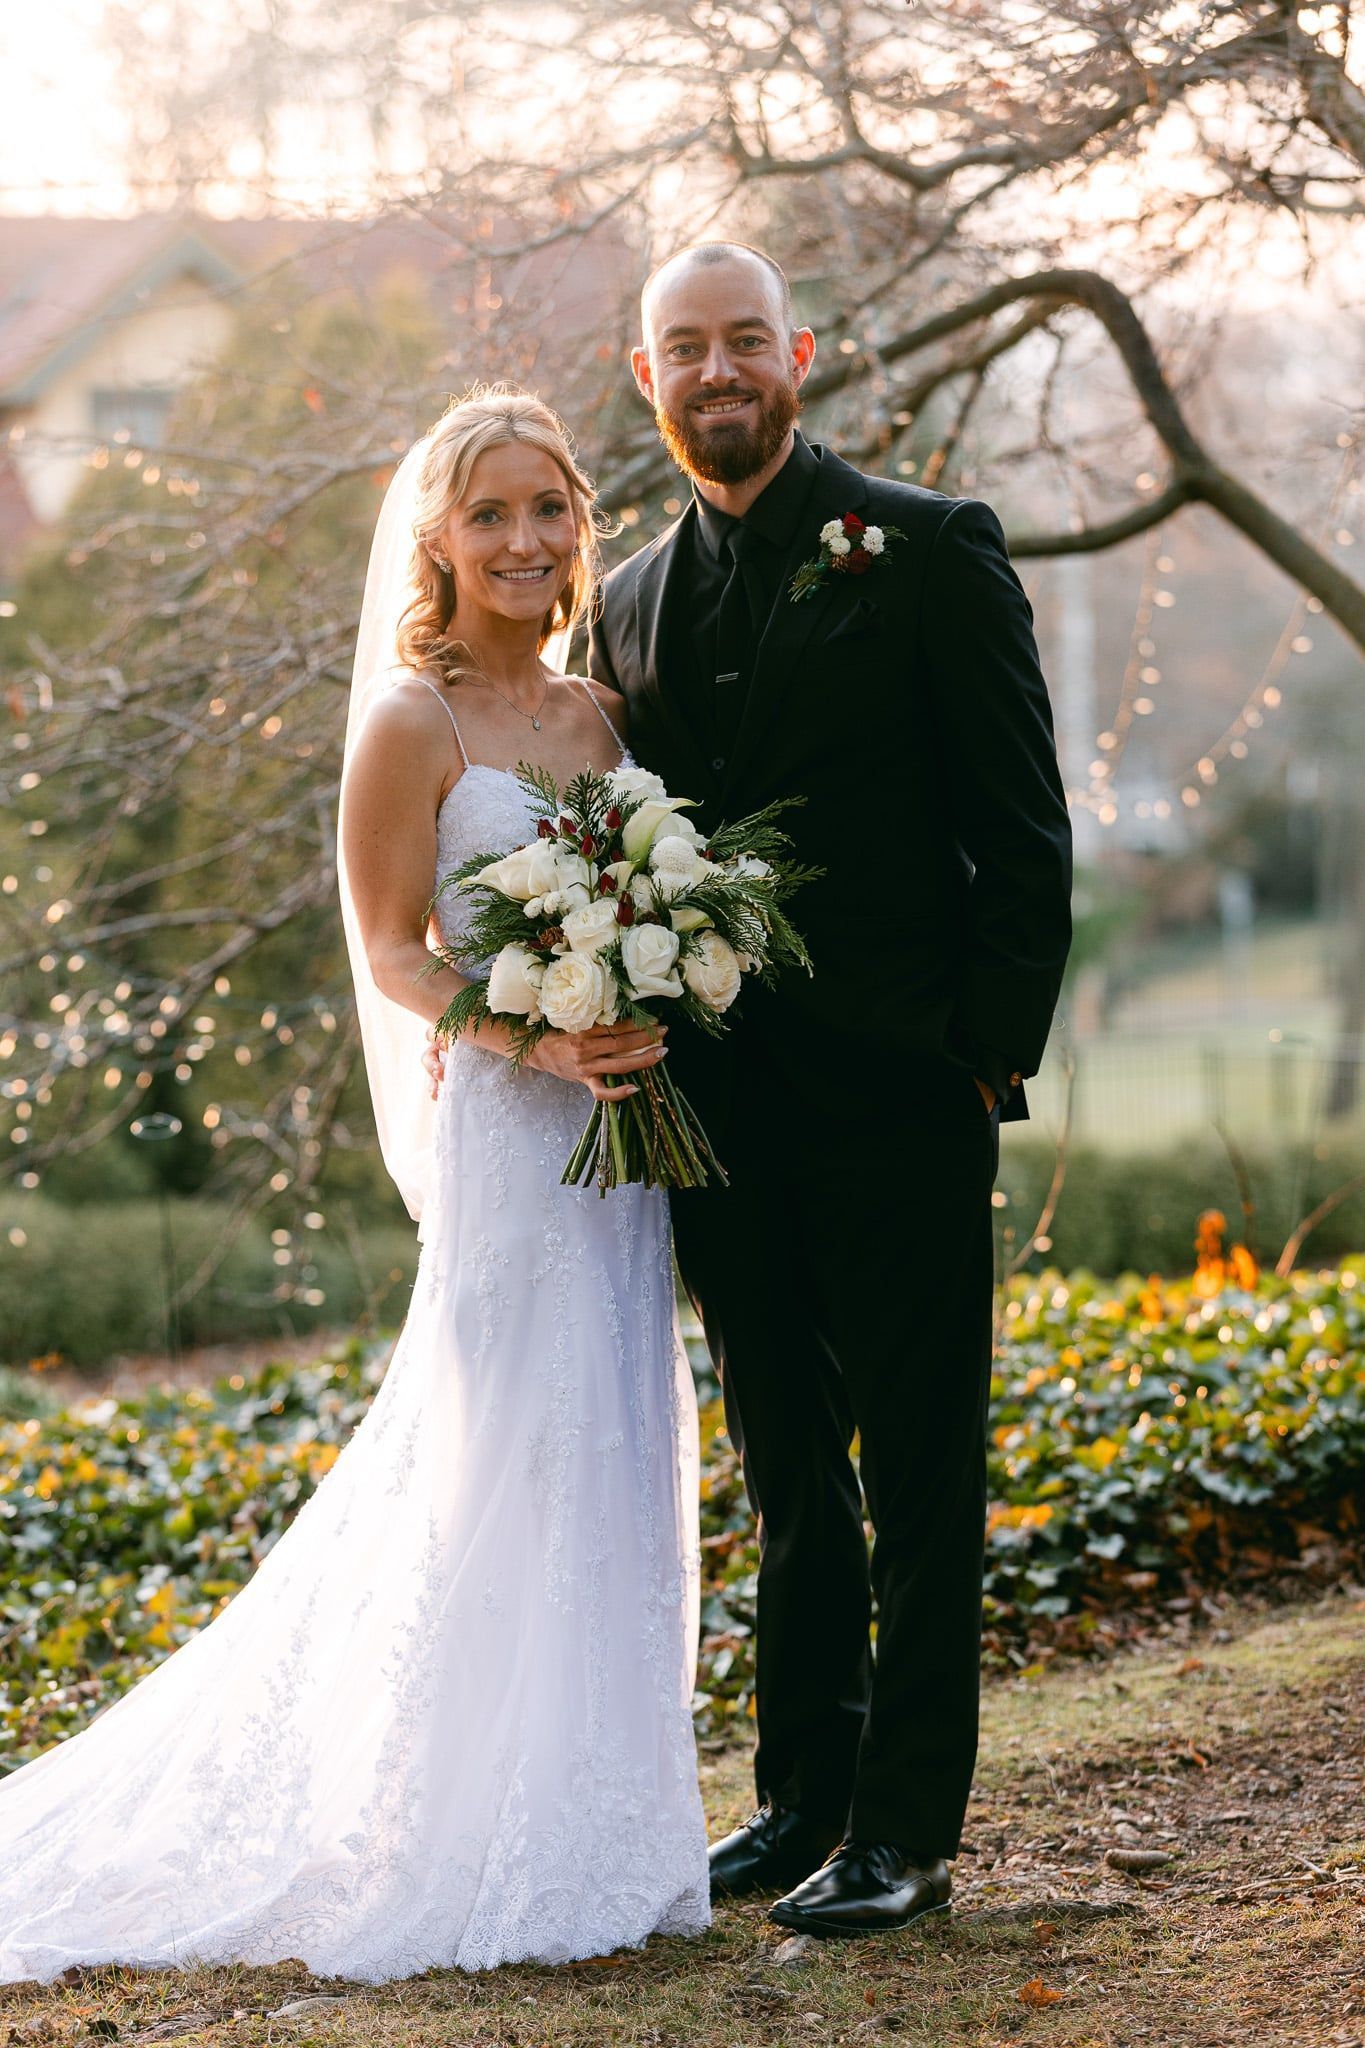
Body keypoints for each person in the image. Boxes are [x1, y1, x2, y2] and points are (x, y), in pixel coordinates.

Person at [0, 389, 710, 1984]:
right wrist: (533, 1042)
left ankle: (607, 1831)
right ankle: (460, 1831)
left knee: (611, 1438)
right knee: (501, 1453)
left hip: (622, 1151)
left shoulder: (604, 720)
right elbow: (393, 948)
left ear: (578, 528)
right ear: (439, 541)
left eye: (549, 510)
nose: (524, 541)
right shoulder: (414, 720)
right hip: (515, 1144)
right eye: (490, 516)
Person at [586, 242, 1074, 1937]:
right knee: (789, 1462)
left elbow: (1019, 829)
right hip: (714, 1115)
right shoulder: (624, 601)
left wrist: (984, 1052)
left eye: (743, 342)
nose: (716, 371)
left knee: (924, 1464)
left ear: (797, 355)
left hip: (903, 1094)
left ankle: (905, 1828)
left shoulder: (926, 548)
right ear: (642, 377)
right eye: (682, 349)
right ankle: (797, 1795)